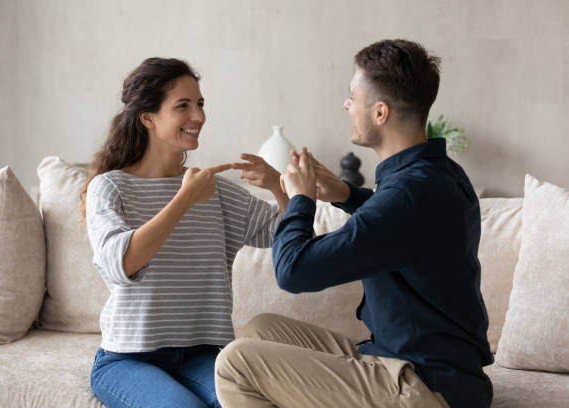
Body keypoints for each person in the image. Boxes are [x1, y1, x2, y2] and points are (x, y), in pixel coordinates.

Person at [214, 39, 494, 408]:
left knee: (235, 364)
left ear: (380, 112)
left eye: (351, 96)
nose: (346, 105)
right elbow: (398, 222)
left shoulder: (408, 195)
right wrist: (344, 193)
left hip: (425, 387)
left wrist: (301, 199)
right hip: (413, 364)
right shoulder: (436, 175)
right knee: (261, 330)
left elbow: (294, 271)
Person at [81, 57, 288, 408]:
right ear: (147, 118)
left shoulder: (213, 191)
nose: (199, 117)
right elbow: (122, 263)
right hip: (128, 358)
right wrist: (184, 199)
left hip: (203, 352)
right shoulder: (110, 188)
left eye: (200, 104)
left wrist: (279, 188)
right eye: (183, 106)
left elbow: (283, 235)